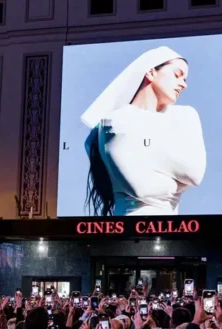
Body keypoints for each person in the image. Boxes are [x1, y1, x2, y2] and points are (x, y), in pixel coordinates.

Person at [82, 46, 206, 216]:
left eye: (185, 79)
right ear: (151, 73)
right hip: (128, 225)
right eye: (177, 75)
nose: (184, 84)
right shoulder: (116, 121)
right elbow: (141, 188)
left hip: (173, 227)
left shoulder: (185, 115)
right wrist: (177, 181)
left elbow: (194, 174)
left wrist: (142, 150)